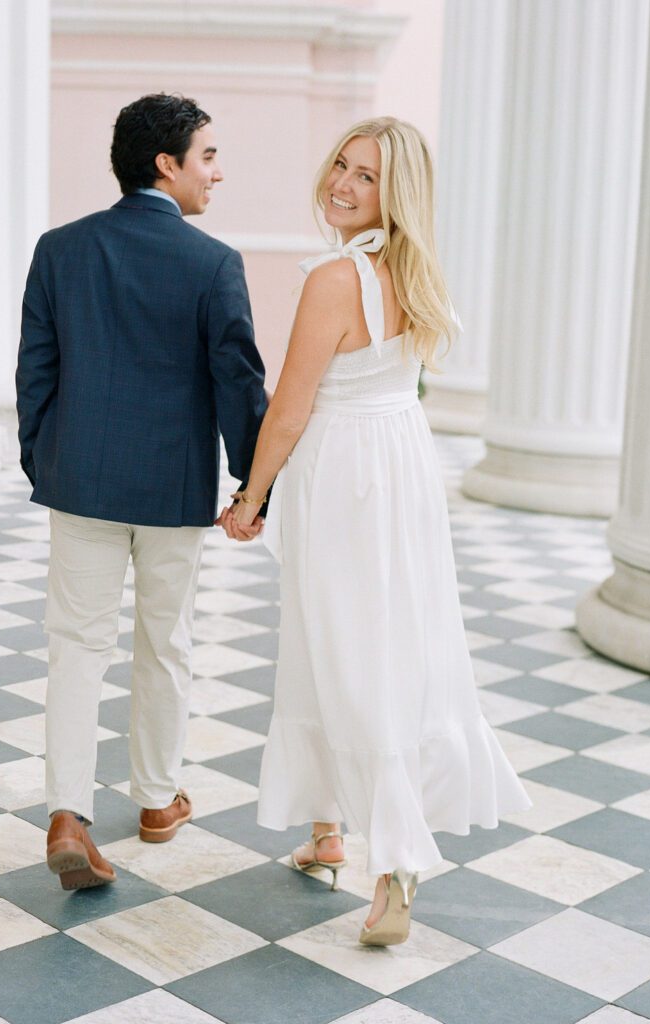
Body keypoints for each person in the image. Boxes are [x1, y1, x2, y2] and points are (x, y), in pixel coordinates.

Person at [218, 116, 532, 946]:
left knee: (341, 648)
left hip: (345, 475)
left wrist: (251, 498)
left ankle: (394, 862)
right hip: (400, 468)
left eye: (366, 178)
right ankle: (327, 833)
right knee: (384, 639)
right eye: (343, 167)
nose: (343, 185)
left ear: (395, 195)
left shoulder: (332, 277)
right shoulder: (412, 272)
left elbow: (290, 409)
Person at [16, 93, 268, 890]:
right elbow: (238, 382)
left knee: (76, 645)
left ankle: (66, 812)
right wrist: (250, 488)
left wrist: (43, 459)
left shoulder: (60, 249)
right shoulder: (212, 263)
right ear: (168, 163)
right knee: (167, 643)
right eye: (209, 157)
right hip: (172, 489)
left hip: (80, 478)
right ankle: (157, 802)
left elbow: (36, 374)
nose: (217, 174)